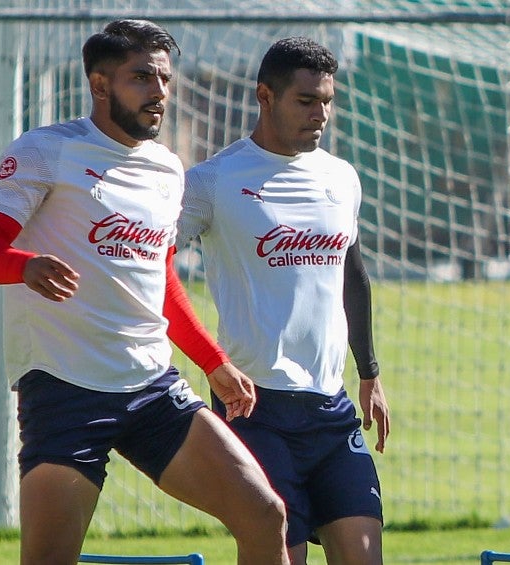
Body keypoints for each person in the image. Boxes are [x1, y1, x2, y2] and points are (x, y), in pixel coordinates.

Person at [0, 20, 288, 565]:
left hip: (152, 387)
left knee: (265, 514)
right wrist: (24, 267)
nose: (159, 91)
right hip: (66, 389)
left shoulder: (168, 169)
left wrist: (211, 360)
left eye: (164, 78)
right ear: (100, 86)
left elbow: (160, 277)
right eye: (141, 77)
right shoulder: (45, 151)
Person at [176, 37, 389, 565]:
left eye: (327, 101)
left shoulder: (341, 177)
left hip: (331, 408)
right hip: (256, 408)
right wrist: (210, 358)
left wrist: (370, 372)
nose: (320, 114)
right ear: (264, 96)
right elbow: (148, 265)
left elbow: (352, 274)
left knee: (366, 556)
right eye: (306, 100)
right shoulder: (213, 182)